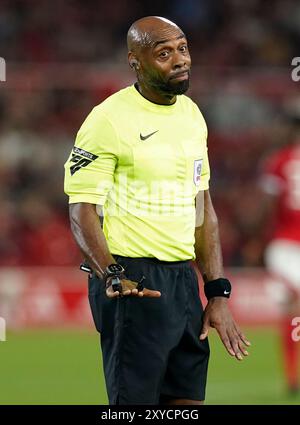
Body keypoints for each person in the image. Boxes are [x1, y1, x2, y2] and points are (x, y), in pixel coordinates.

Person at [64, 16, 250, 405]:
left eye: (183, 49)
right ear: (136, 62)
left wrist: (216, 293)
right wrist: (110, 275)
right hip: (134, 281)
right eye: (164, 53)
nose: (180, 60)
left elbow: (203, 208)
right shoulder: (107, 120)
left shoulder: (191, 115)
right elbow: (82, 209)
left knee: (187, 402)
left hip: (184, 281)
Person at [259, 100, 300, 394]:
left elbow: (268, 208)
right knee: (293, 306)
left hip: (284, 245)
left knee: (290, 308)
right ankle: (291, 376)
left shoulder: (278, 161)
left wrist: (258, 241)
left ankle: (291, 375)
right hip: (288, 247)